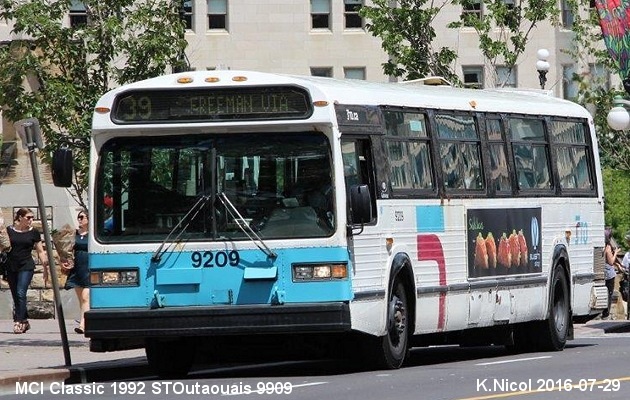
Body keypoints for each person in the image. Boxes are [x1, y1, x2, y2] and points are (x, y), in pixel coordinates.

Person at [5, 208, 49, 334]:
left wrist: (45, 268)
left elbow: (40, 251)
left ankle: (19, 321)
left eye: (32, 217)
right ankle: (25, 321)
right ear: (19, 217)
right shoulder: (9, 231)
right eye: (28, 217)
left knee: (20, 292)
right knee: (16, 295)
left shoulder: (34, 232)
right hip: (11, 266)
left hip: (26, 265)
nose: (31, 220)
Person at [62, 210, 90, 334]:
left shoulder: (94, 235)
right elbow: (67, 251)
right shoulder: (75, 233)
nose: (79, 219)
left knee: (85, 297)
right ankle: (87, 320)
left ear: (89, 218)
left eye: (82, 217)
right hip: (78, 268)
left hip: (89, 268)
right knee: (81, 300)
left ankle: (83, 325)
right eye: (78, 217)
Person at [603, 227, 622, 319]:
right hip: (609, 274)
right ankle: (606, 314)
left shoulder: (602, 246)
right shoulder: (608, 247)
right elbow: (610, 262)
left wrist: (617, 265)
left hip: (604, 273)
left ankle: (604, 312)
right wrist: (616, 252)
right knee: (609, 293)